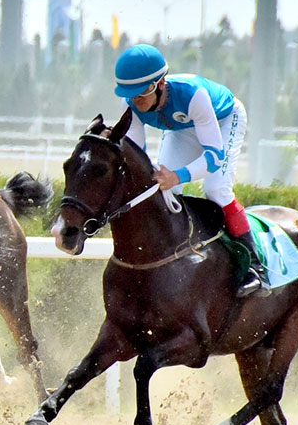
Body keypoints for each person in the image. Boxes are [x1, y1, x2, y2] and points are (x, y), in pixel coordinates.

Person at [114, 43, 269, 297]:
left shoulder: (194, 95)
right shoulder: (130, 105)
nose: (136, 100)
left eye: (142, 92)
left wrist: (177, 175)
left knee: (216, 189)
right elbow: (137, 157)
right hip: (182, 128)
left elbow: (214, 158)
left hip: (223, 118)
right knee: (166, 192)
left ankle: (255, 268)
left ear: (160, 84)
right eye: (130, 94)